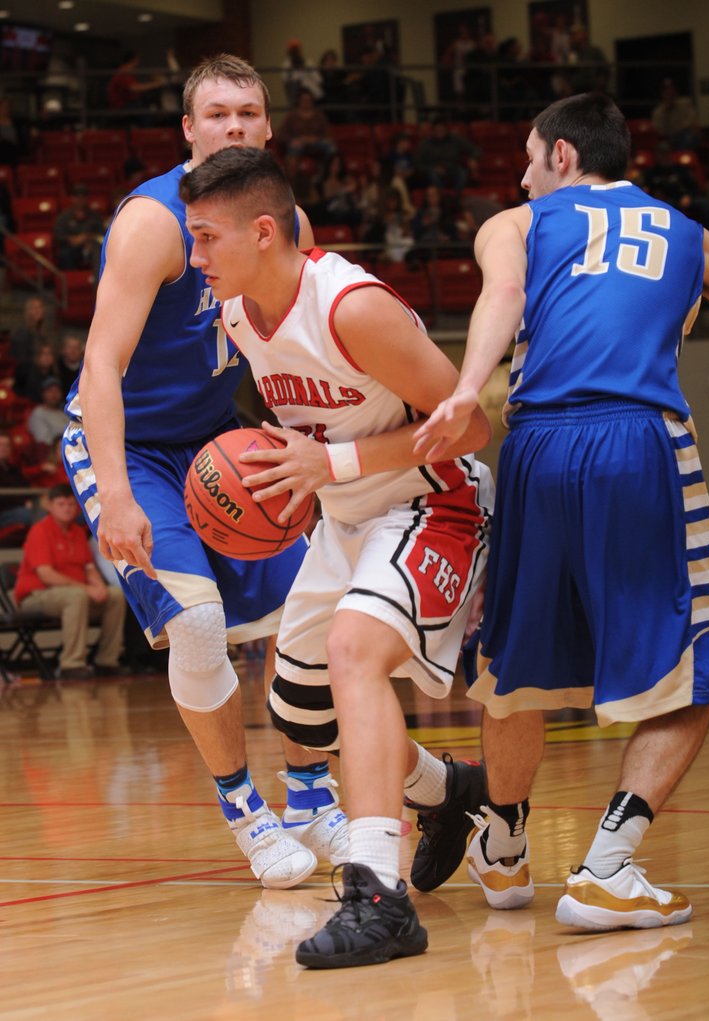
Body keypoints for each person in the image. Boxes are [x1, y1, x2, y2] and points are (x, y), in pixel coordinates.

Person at [414, 93, 709, 930]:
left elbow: (501, 299)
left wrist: (466, 386)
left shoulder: (517, 224)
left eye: (526, 157)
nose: (519, 175)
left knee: (515, 670)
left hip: (536, 443)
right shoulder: (690, 237)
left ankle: (506, 849)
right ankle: (607, 866)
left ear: (561, 157)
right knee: (694, 672)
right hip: (636, 442)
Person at [179, 145, 496, 968]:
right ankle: (451, 792)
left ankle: (377, 895)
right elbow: (310, 426)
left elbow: (470, 425)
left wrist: (334, 464)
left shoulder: (353, 307)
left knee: (355, 652)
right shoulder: (241, 314)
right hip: (344, 519)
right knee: (301, 717)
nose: (195, 256)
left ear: (261, 232)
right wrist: (287, 464)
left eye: (207, 238)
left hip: (433, 501)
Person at [62, 54, 348, 890]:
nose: (233, 126)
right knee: (193, 623)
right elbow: (99, 366)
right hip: (132, 447)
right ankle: (245, 812)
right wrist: (115, 493)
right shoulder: (156, 223)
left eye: (247, 113)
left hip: (219, 438)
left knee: (313, 610)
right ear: (188, 130)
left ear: (268, 127)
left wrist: (320, 454)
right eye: (216, 113)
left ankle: (308, 795)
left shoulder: (280, 218)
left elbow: (296, 344)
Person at [15, 483, 126, 680]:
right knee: (77, 596)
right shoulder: (40, 531)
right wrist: (86, 588)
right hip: (37, 595)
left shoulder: (77, 532)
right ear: (49, 506)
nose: (67, 508)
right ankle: (71, 665)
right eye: (61, 504)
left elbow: (89, 568)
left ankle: (106, 661)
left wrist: (98, 585)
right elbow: (46, 575)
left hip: (76, 594)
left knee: (115, 595)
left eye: (70, 504)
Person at [52, 184, 104, 272]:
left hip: (91, 247)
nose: (80, 200)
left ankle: (97, 282)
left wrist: (88, 238)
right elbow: (58, 235)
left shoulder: (95, 216)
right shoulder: (64, 217)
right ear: (72, 198)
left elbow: (102, 235)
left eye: (83, 197)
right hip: (71, 248)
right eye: (77, 197)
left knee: (98, 252)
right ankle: (71, 282)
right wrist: (71, 239)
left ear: (87, 199)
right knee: (65, 254)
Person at [652, 79, 701, 151]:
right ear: (662, 94)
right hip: (668, 138)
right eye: (667, 92)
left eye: (672, 91)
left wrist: (679, 130)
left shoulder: (686, 103)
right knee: (662, 146)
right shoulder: (658, 112)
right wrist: (666, 112)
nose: (670, 94)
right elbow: (660, 130)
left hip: (685, 135)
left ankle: (681, 156)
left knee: (689, 138)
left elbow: (691, 121)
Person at [0, 431, 35, 531]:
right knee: (28, 514)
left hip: (18, 508)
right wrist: (23, 502)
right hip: (4, 512)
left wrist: (29, 500)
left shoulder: (13, 468)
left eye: (7, 445)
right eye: (0, 445)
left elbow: (25, 486)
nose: (3, 448)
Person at [27, 375, 68, 449]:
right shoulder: (38, 413)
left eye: (57, 391)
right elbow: (43, 442)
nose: (54, 395)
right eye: (50, 391)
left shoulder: (64, 413)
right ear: (43, 394)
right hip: (51, 453)